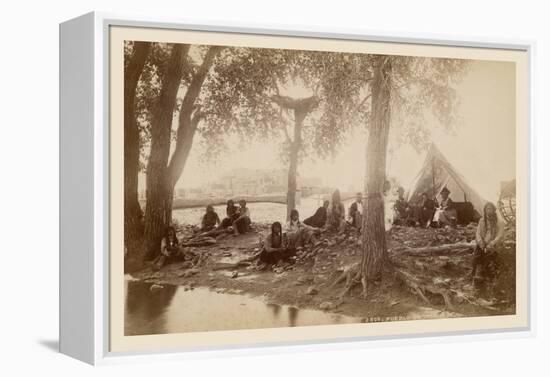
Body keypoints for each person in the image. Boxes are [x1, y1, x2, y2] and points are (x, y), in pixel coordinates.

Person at [472, 202, 504, 289]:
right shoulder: (482, 220)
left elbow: (499, 236)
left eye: (490, 209)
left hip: (493, 244)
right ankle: (478, 274)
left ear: (494, 210)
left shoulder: (499, 222)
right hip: (483, 243)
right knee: (477, 256)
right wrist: (480, 242)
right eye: (487, 209)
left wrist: (491, 244)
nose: (488, 211)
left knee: (489, 257)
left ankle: (489, 277)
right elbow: (478, 233)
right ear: (485, 210)